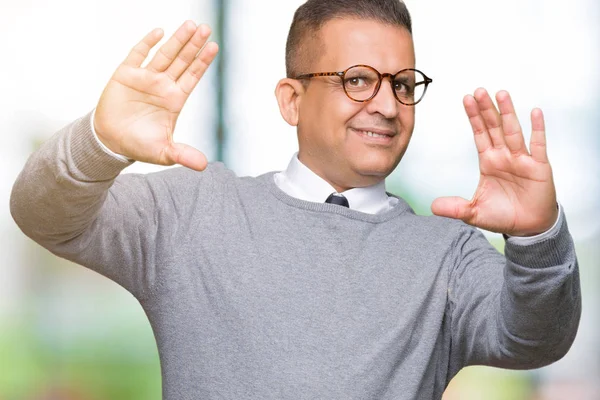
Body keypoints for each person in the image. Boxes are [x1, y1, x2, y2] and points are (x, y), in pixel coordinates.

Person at [10, 0, 581, 399]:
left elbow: (537, 337)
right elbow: (42, 215)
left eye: (403, 84)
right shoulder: (190, 213)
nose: (386, 105)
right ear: (291, 100)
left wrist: (537, 237)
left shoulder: (446, 253)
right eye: (359, 79)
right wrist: (100, 143)